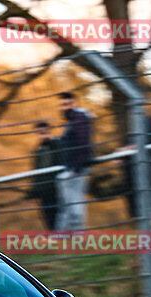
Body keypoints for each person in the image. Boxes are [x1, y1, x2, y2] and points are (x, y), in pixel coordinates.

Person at [55, 92, 93, 230]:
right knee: (69, 204)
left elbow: (84, 142)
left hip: (76, 169)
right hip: (71, 168)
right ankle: (68, 237)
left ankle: (78, 236)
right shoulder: (72, 121)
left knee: (75, 204)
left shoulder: (79, 118)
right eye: (62, 105)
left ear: (74, 104)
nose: (64, 108)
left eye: (67, 104)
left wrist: (76, 168)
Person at [29, 122, 61, 229]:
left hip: (56, 189)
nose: (42, 135)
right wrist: (33, 193)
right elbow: (36, 173)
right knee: (48, 219)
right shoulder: (39, 150)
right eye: (40, 133)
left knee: (59, 217)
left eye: (45, 132)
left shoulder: (57, 145)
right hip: (44, 191)